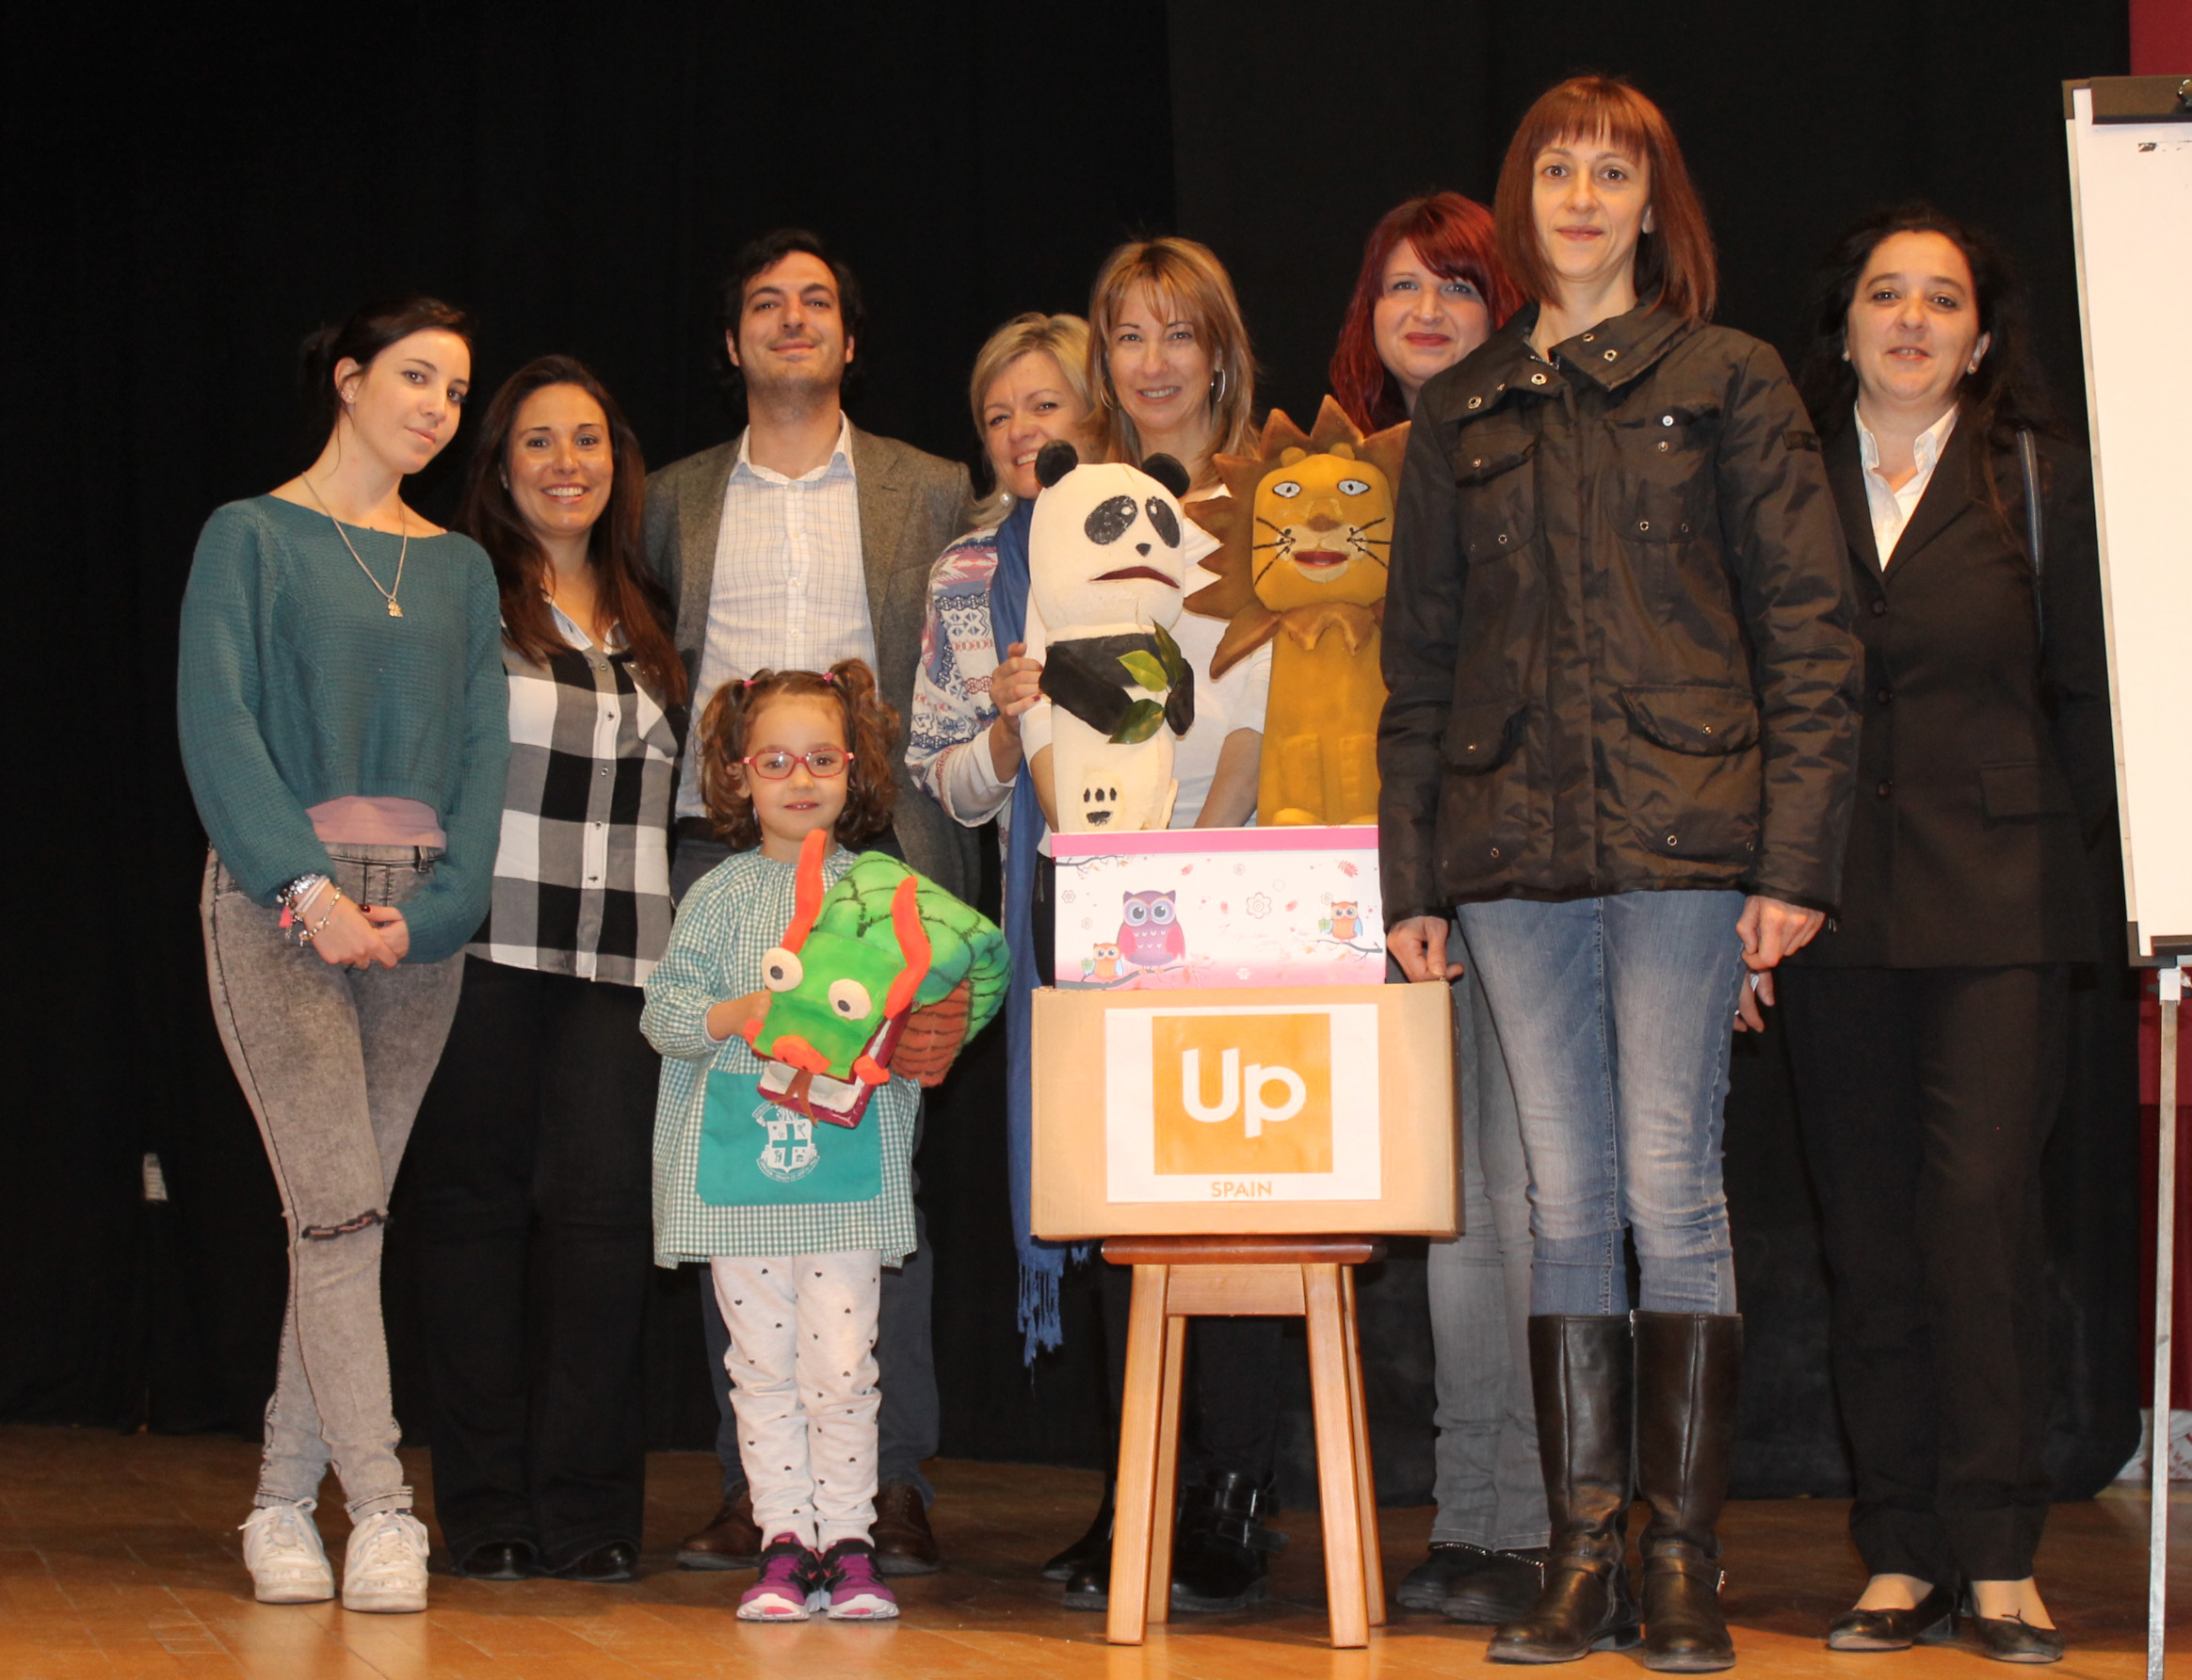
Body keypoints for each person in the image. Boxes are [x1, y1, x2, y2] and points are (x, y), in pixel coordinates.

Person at [1379, 76, 1860, 1671]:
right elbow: (1420, 664)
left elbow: (1808, 633)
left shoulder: (1727, 377)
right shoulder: (1459, 409)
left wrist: (1793, 860)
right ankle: (1580, 1556)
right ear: (1521, 202)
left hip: (1686, 843)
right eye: (1556, 173)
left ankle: (1681, 1564)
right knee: (1561, 1199)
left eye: (1612, 173)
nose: (1582, 199)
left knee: (1671, 1189)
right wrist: (1411, 881)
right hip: (1508, 852)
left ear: (1654, 205)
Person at [1772, 206, 2111, 1666]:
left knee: (1980, 1222)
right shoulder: (1776, 478)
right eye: (1885, 294)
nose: (1911, 320)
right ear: (1844, 323)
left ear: (1981, 338)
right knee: (1870, 1240)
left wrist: (2097, 888)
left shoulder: (2042, 479)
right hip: (1828, 907)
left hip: (2002, 912)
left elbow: (2094, 704)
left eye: (1942, 300)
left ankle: (2001, 1554)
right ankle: (1900, 1551)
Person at [644, 228, 975, 1576]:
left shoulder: (930, 487)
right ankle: (761, 1493)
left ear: (851, 336)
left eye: (817, 302)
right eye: (766, 306)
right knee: (732, 1156)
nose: (792, 321)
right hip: (715, 859)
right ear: (731, 342)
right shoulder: (667, 497)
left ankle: (887, 1483)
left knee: (879, 1160)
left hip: (879, 858)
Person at [177, 297, 508, 1614]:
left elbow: (481, 755)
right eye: (416, 377)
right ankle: (382, 1506)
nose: (437, 408)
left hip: (414, 922)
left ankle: (277, 1500)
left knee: (346, 1226)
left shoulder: (461, 567)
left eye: (456, 391)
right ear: (351, 379)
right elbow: (216, 721)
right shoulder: (250, 534)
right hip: (283, 905)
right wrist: (304, 886)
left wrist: (437, 912)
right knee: (339, 1209)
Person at [1009, 239, 1276, 1614]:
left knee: (1239, 1196)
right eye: (1129, 335)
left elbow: (1265, 712)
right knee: (1123, 1204)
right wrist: (1092, 841)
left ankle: (1231, 1493)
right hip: (1101, 882)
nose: (1155, 361)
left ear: (1221, 350)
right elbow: (1041, 705)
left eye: (1180, 333)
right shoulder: (1074, 506)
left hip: (1240, 878)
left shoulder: (1269, 497)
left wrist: (1197, 858)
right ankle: (1136, 1489)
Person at [394, 357, 685, 1585]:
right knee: (470, 1221)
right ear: (501, 470)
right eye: (538, 442)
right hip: (484, 948)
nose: (567, 463)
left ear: (617, 463)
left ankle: (589, 1508)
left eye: (588, 440)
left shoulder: (651, 609)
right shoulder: (465, 597)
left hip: (623, 964)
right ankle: (487, 1507)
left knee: (606, 1229)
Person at [1330, 192, 1546, 1626]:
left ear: (1505, 305)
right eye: (1400, 284)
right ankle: (1469, 1509)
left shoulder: (1533, 454)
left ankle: (1519, 1517)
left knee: (1509, 1201)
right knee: (1425, 1205)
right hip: (1341, 881)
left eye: (1457, 285)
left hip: (1493, 869)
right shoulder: (1319, 476)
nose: (1425, 310)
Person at [642, 659, 918, 1623]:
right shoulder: (717, 896)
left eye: (822, 758)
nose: (801, 779)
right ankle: (784, 1543)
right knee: (760, 1367)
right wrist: (739, 1012)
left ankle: (851, 1542)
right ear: (737, 775)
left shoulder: (885, 893)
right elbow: (664, 1015)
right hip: (740, 1175)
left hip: (845, 1177)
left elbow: (922, 1026)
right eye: (775, 761)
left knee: (842, 1365)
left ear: (855, 767)